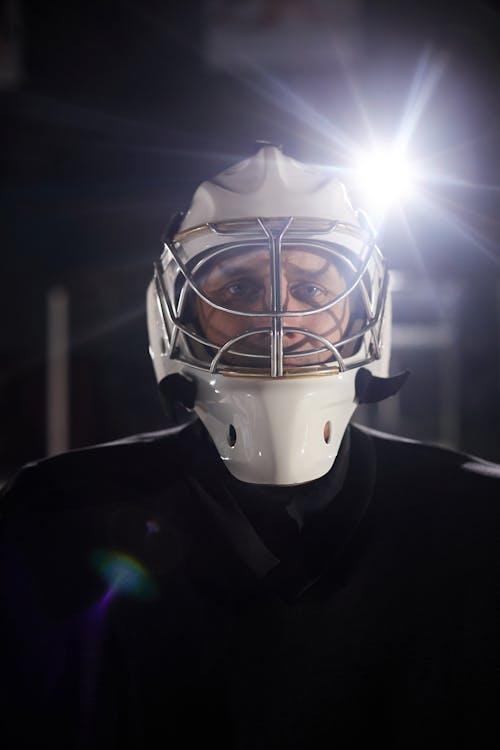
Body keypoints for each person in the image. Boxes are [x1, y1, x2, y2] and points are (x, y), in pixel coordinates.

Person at [0, 145, 498, 749]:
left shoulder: (477, 520)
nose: (278, 319)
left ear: (368, 313)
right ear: (177, 318)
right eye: (238, 289)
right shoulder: (54, 515)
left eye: (314, 292)